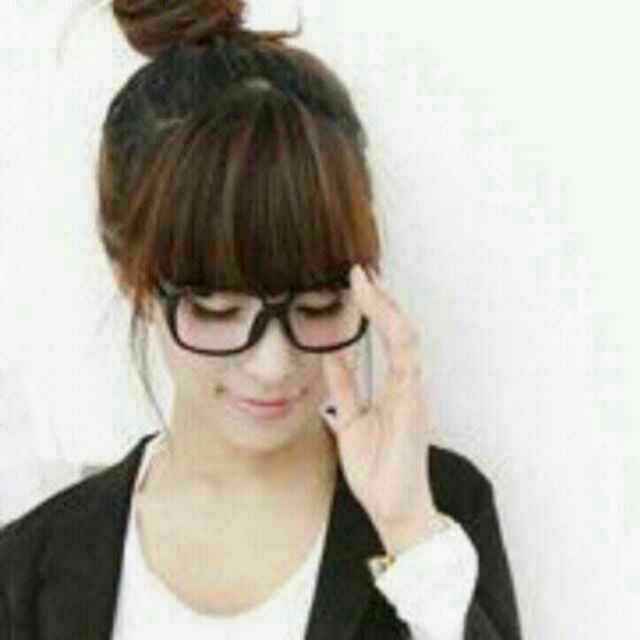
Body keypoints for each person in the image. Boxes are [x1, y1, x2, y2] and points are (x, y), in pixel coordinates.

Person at [0, 1, 522, 638]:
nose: (273, 365)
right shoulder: (32, 570)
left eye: (318, 306)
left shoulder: (436, 514)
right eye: (218, 310)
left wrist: (409, 535)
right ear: (133, 282)